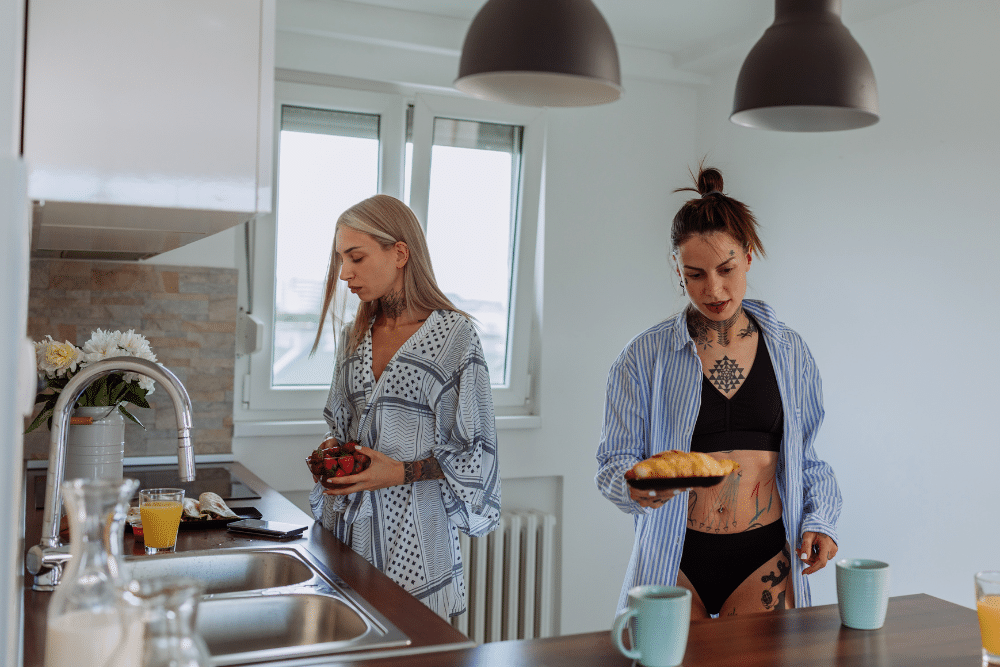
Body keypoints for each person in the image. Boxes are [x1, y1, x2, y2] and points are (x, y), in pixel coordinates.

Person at [595, 166, 841, 618]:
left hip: (763, 558)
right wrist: (634, 487)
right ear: (677, 270)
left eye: (726, 269)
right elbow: (611, 464)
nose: (714, 288)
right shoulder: (643, 357)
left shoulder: (791, 353)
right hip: (674, 558)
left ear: (748, 257)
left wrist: (820, 522)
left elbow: (809, 461)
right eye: (695, 274)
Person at [308, 194, 501, 618]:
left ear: (399, 253)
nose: (345, 274)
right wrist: (331, 450)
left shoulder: (455, 338)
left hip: (418, 547)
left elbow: (476, 455)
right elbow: (341, 427)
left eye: (355, 257)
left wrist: (399, 471)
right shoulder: (352, 337)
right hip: (348, 538)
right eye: (341, 260)